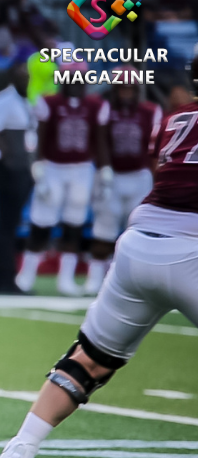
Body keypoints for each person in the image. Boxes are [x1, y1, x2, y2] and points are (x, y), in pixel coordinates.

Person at [0, 48, 198, 458]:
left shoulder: (176, 117)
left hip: (139, 246)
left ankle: (16, 455)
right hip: (191, 250)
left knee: (88, 361)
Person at [15, 62, 110, 297]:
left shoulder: (95, 105)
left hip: (81, 168)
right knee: (42, 221)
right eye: (72, 79)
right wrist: (37, 166)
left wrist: (103, 169)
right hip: (53, 167)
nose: (76, 84)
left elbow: (100, 139)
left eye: (80, 79)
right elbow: (38, 135)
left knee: (74, 223)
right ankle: (25, 276)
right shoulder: (49, 103)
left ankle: (65, 279)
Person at [85, 70, 160, 295]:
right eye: (122, 87)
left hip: (139, 175)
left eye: (130, 87)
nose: (126, 92)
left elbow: (155, 147)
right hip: (112, 176)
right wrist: (105, 168)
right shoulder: (105, 109)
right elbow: (99, 139)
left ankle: (135, 281)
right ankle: (94, 278)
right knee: (104, 229)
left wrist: (156, 175)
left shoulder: (150, 111)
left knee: (139, 233)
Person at [0, 58, 37, 295]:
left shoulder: (28, 100)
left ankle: (6, 279)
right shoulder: (5, 99)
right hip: (10, 169)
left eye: (28, 75)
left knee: (10, 226)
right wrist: (6, 150)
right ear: (13, 77)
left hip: (23, 168)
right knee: (6, 226)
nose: (26, 79)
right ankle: (2, 282)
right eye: (22, 75)